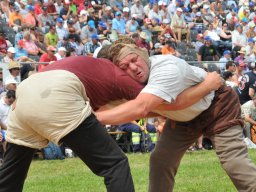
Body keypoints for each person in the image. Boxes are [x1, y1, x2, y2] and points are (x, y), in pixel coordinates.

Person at [96, 42, 256, 192]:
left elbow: (159, 105)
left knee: (234, 161)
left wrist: (96, 118)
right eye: (125, 66)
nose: (133, 67)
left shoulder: (165, 67)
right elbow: (158, 108)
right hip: (185, 117)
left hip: (218, 105)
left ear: (142, 54)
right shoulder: (132, 82)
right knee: (161, 160)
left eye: (134, 60)